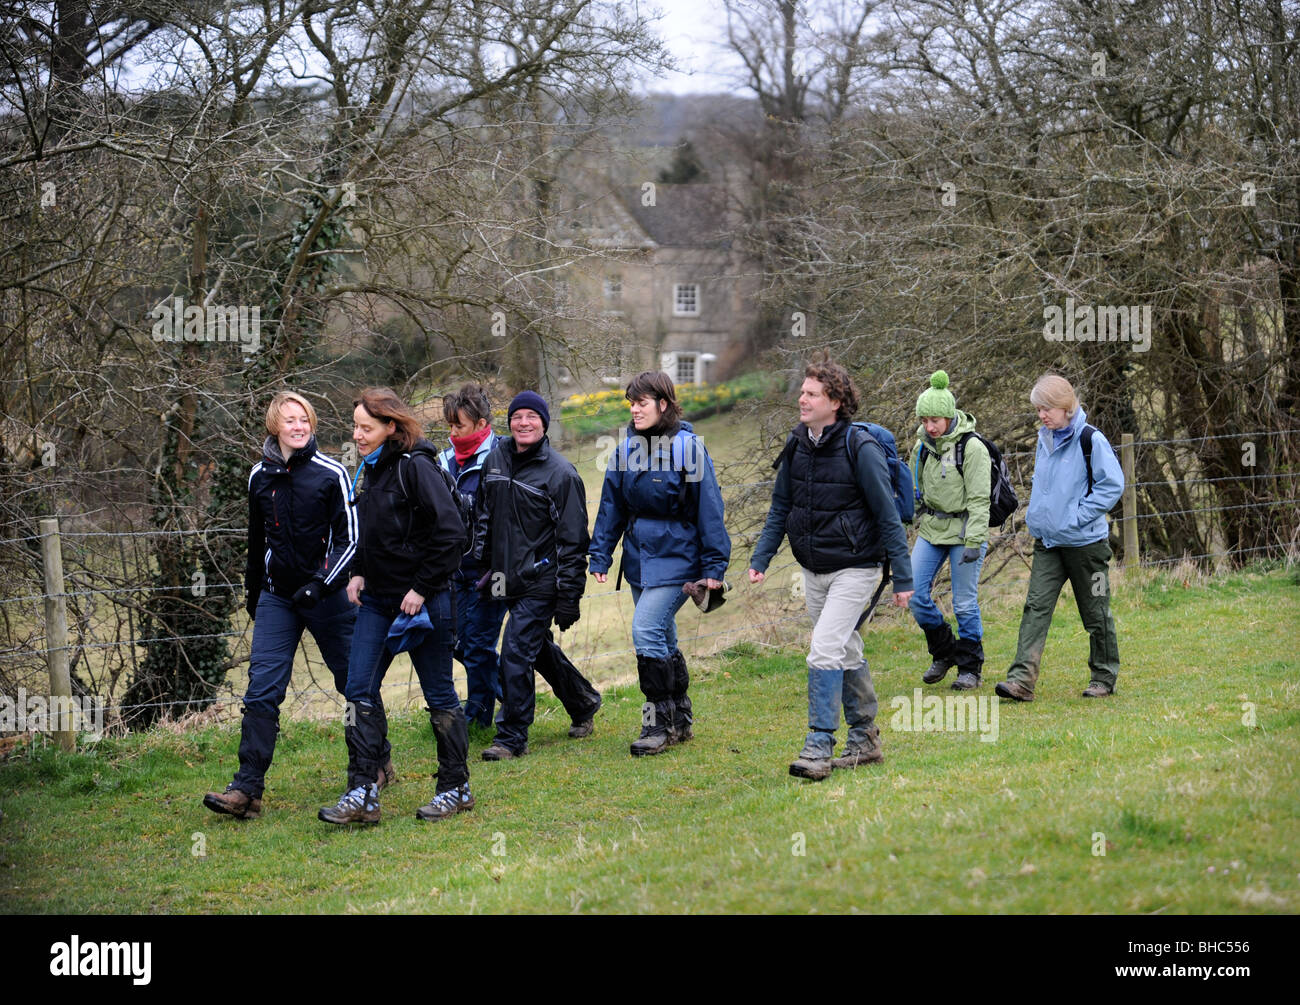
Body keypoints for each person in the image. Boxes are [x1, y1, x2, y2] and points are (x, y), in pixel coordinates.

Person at [748, 357, 913, 781]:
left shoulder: (861, 448)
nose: (801, 399)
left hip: (856, 568)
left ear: (835, 402)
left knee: (823, 648)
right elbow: (781, 507)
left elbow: (886, 516)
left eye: (811, 394)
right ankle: (864, 741)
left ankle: (819, 745)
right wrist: (761, 558)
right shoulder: (796, 443)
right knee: (845, 647)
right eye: (802, 392)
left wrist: (904, 577)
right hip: (813, 569)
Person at [204, 391, 363, 819]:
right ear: (276, 426)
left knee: (354, 684)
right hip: (277, 597)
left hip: (327, 596)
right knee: (262, 690)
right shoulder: (259, 475)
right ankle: (247, 790)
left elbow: (351, 541)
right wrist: (254, 594)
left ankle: (372, 767)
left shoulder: (332, 473)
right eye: (290, 420)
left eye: (305, 419)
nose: (299, 426)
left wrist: (322, 582)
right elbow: (256, 543)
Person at [318, 387, 473, 825]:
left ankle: (455, 787)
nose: (358, 435)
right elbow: (373, 532)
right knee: (358, 689)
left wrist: (421, 588)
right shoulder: (372, 469)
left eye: (366, 428)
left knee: (439, 694)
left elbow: (451, 533)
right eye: (354, 426)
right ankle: (363, 793)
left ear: (391, 426)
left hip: (427, 602)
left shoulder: (416, 466)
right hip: (378, 601)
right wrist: (360, 570)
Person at [589, 371, 731, 756]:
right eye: (631, 403)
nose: (634, 409)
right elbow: (611, 507)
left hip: (679, 557)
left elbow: (710, 509)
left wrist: (714, 568)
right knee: (662, 636)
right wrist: (600, 554)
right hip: (638, 559)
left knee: (646, 630)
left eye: (642, 402)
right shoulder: (624, 450)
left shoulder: (689, 449)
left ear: (663, 405)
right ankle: (681, 719)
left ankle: (657, 724)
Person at [473, 390, 601, 760]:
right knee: (535, 649)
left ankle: (511, 737)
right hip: (503, 578)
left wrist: (568, 597)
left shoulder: (560, 474)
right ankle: (583, 701)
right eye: (517, 417)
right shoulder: (495, 459)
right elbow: (484, 515)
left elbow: (574, 540)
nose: (523, 423)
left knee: (514, 651)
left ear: (544, 424)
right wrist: (481, 565)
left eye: (532, 417)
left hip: (542, 580)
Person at [997, 374, 1124, 702]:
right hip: (1049, 545)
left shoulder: (1090, 439)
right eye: (1039, 409)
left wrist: (1077, 517)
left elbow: (1112, 485)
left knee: (1095, 610)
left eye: (1047, 408)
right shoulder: (1045, 438)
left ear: (1066, 406)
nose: (1042, 415)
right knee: (1035, 608)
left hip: (1087, 547)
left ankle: (1103, 676)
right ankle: (1021, 681)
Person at [908, 370, 991, 690]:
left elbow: (981, 499)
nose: (930, 426)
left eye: (936, 420)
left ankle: (970, 667)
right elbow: (916, 488)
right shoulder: (922, 447)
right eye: (925, 419)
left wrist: (975, 540)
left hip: (965, 531)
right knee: (913, 593)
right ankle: (944, 652)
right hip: (932, 528)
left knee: (965, 603)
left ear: (949, 416)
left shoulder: (972, 448)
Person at [438, 384, 506, 729]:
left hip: (492, 571)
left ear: (481, 424)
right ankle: (483, 708)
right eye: (449, 426)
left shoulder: (502, 456)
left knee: (478, 644)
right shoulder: (442, 460)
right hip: (454, 570)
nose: (452, 433)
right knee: (458, 643)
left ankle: (508, 704)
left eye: (459, 426)